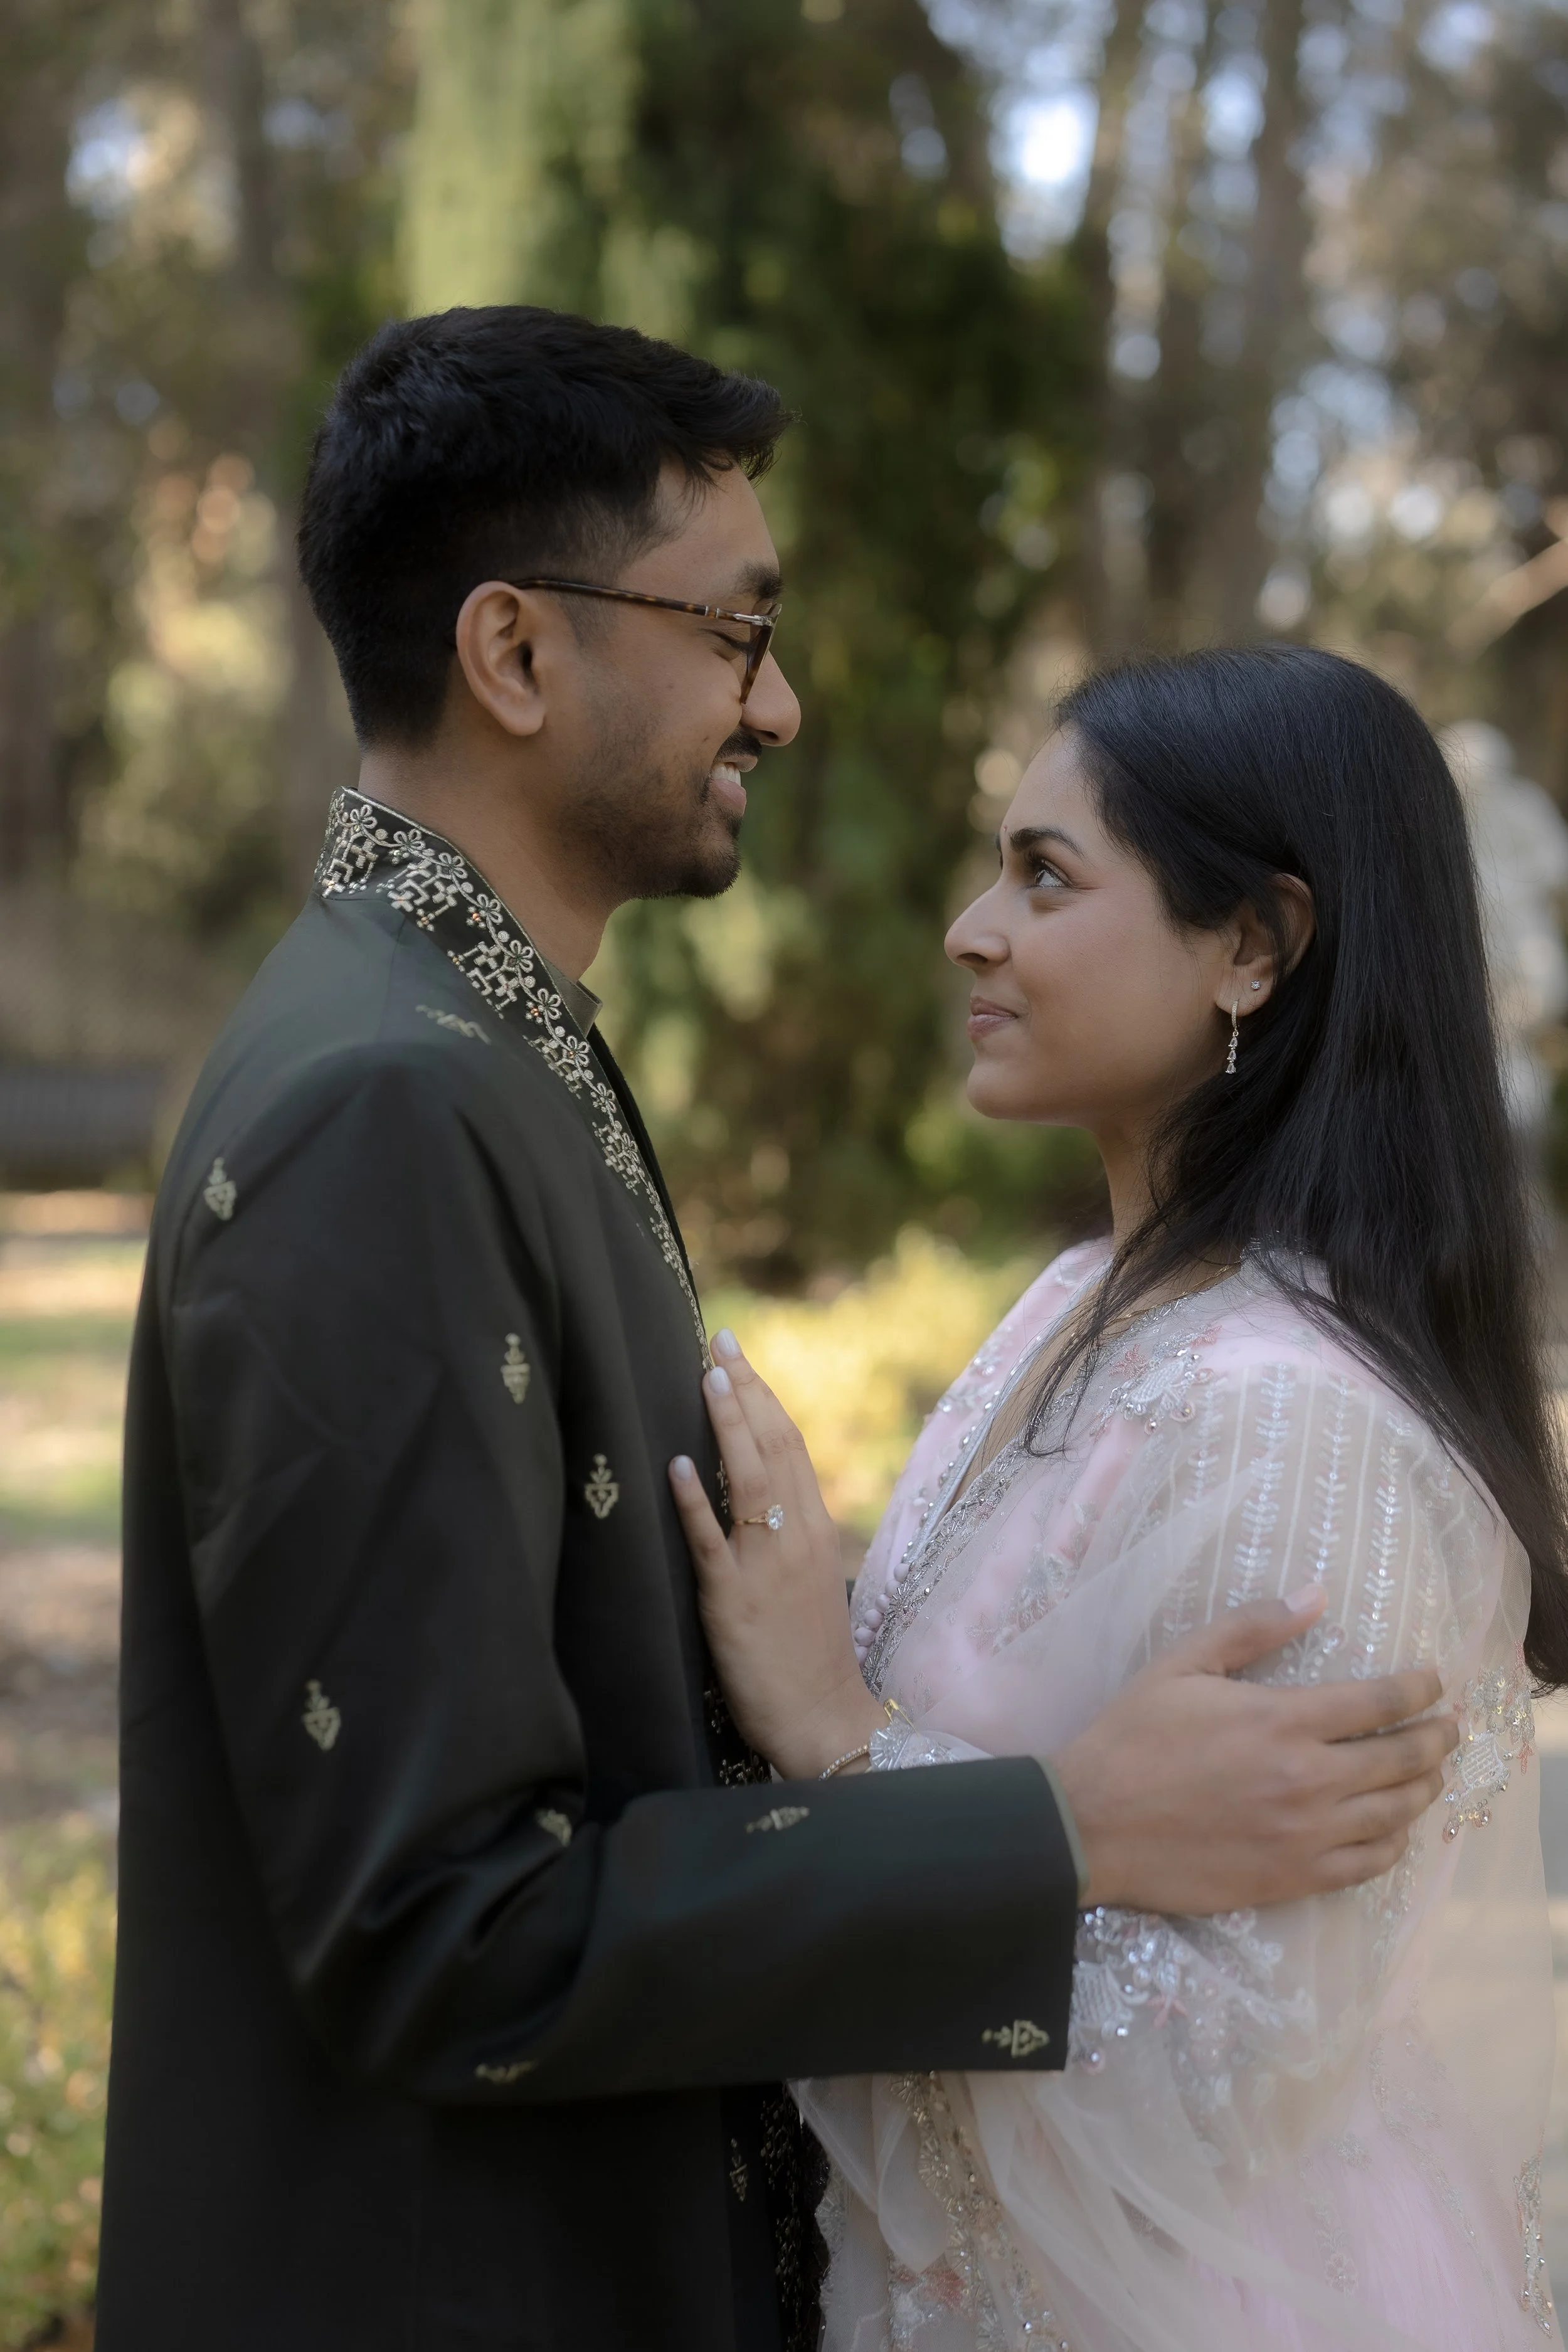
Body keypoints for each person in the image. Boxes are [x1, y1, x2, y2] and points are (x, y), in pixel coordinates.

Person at [97, 312, 1455, 2352]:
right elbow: (439, 1928)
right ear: (518, 654)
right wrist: (1055, 1825)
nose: (785, 702)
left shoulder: (479, 1042)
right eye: (736, 632)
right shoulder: (386, 1097)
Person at [673, 645, 1567, 2351]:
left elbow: (1216, 2073)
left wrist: (845, 1748)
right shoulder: (1080, 1306)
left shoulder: (1311, 1434)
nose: (969, 927)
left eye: (1045, 874)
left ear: (1253, 945)